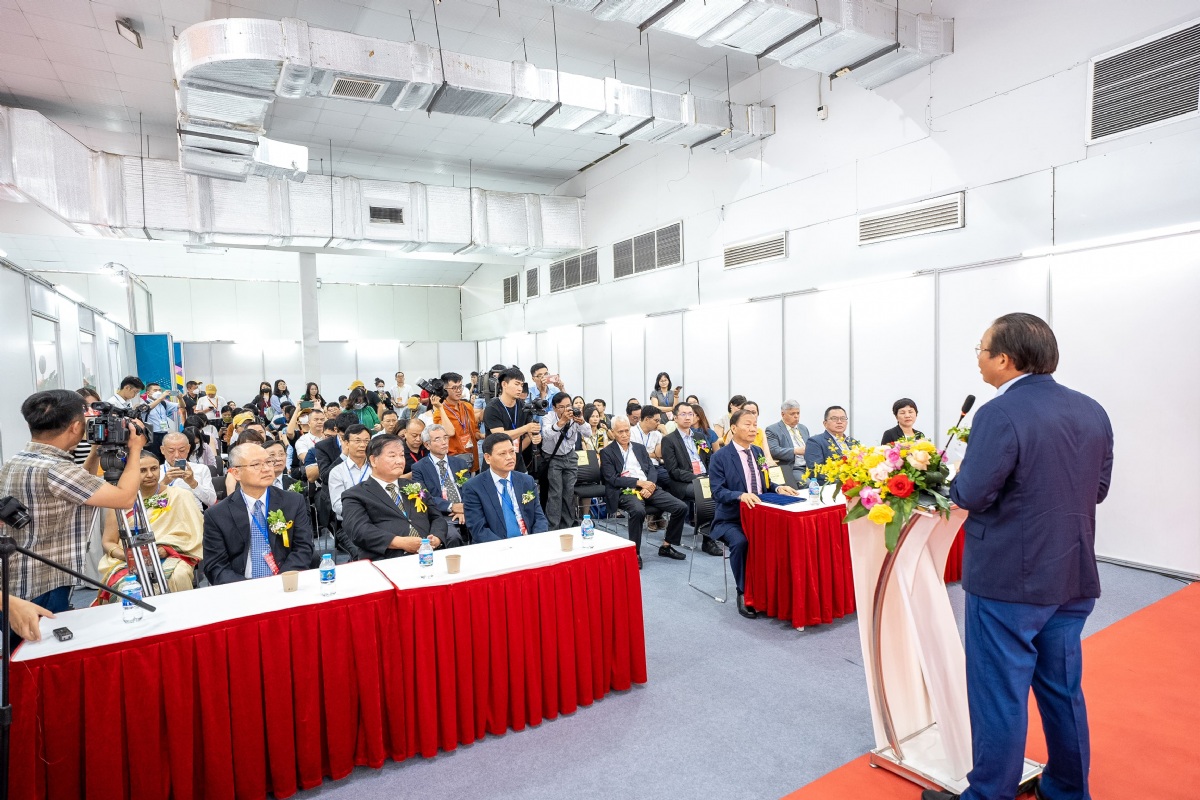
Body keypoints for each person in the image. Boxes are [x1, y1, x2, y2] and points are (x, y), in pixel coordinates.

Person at [923, 314, 1114, 800]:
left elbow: (971, 493)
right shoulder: (1092, 410)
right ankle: (1068, 789)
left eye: (981, 349)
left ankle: (989, 794)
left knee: (999, 693)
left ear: (1004, 359)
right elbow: (1097, 489)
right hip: (1072, 572)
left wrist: (952, 479)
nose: (979, 359)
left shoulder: (998, 413)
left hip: (1009, 578)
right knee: (1062, 690)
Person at [0, 390, 149, 640]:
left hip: (17, 578)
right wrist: (136, 451)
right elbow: (124, 499)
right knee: (39, 652)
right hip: (42, 583)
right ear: (76, 426)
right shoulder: (56, 470)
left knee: (20, 651)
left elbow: (80, 486)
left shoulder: (17, 460)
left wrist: (95, 451)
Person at [708, 409, 801, 619]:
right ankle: (743, 592)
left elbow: (763, 482)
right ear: (733, 428)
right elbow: (717, 491)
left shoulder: (758, 452)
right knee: (741, 543)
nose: (753, 429)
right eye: (747, 424)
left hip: (760, 516)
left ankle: (771, 590)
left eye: (755, 424)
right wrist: (740, 495)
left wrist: (777, 487)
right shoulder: (720, 457)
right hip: (731, 518)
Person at [95, 452, 203, 600]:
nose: (150, 475)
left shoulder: (180, 495)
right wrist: (127, 556)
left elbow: (194, 534)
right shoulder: (119, 501)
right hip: (128, 559)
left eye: (154, 468)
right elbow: (108, 541)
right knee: (126, 586)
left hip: (170, 555)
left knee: (177, 576)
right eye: (142, 470)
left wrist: (166, 549)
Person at [202, 442, 315, 585]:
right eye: (256, 465)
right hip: (241, 587)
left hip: (285, 581)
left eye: (268, 462)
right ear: (236, 473)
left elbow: (303, 548)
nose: (267, 469)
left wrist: (281, 581)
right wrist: (249, 588)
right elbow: (215, 566)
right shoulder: (217, 514)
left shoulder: (293, 502)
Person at [340, 434, 457, 560]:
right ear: (373, 460)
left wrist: (437, 537)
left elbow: (437, 517)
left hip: (428, 554)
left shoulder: (416, 486)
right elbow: (359, 531)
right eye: (392, 456)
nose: (400, 461)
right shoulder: (355, 495)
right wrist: (400, 542)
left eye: (401, 455)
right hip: (388, 559)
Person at [600, 415, 688, 567]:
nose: (624, 434)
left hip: (648, 486)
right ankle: (635, 553)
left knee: (681, 507)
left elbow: (652, 469)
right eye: (620, 432)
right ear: (613, 433)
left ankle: (667, 546)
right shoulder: (607, 452)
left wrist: (650, 485)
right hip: (626, 490)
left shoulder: (639, 448)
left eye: (627, 430)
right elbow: (612, 479)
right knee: (638, 511)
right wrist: (638, 482)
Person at [461, 433, 549, 543]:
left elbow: (539, 518)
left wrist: (534, 541)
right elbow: (479, 530)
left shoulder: (526, 481)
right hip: (496, 546)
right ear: (488, 458)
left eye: (512, 451)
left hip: (529, 542)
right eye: (502, 454)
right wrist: (507, 547)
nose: (509, 457)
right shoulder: (474, 487)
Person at [660, 402, 722, 556]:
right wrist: (698, 478)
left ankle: (720, 531)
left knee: (724, 490)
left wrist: (710, 476)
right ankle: (708, 540)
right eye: (683, 414)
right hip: (683, 482)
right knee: (707, 493)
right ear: (675, 418)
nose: (688, 417)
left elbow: (709, 459)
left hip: (705, 479)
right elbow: (673, 471)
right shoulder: (669, 440)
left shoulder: (700, 436)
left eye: (690, 414)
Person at [539, 392, 592, 530]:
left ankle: (567, 526)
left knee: (569, 493)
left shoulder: (575, 416)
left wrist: (582, 422)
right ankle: (553, 527)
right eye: (561, 407)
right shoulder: (548, 417)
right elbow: (547, 434)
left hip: (570, 456)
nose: (566, 409)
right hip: (553, 457)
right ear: (554, 408)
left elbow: (588, 433)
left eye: (568, 406)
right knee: (555, 493)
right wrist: (562, 421)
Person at [411, 424, 472, 535]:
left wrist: (463, 507)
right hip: (441, 512)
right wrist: (452, 506)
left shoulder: (460, 463)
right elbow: (423, 495)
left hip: (465, 508)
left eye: (445, 437)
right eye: (437, 439)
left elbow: (469, 489)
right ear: (427, 445)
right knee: (452, 536)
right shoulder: (419, 468)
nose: (444, 442)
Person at [483, 368, 541, 473]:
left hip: (517, 460)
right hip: (496, 462)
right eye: (516, 384)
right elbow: (500, 436)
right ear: (504, 384)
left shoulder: (522, 405)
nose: (520, 389)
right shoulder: (492, 407)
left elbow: (530, 429)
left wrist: (535, 436)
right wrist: (526, 428)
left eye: (521, 385)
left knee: (523, 482)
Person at [425, 372, 480, 472]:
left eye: (460, 387)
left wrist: (482, 435)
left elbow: (474, 430)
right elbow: (450, 432)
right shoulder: (439, 412)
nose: (458, 391)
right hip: (454, 459)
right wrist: (440, 407)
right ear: (444, 390)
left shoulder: (467, 406)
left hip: (472, 456)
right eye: (454, 388)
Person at [159, 431, 217, 508]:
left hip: (194, 512)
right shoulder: (156, 471)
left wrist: (193, 483)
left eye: (182, 450)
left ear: (188, 448)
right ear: (162, 450)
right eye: (171, 451)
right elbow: (147, 503)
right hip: (164, 513)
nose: (177, 455)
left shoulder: (201, 469)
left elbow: (212, 501)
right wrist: (163, 483)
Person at [328, 424, 372, 520]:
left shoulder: (377, 467)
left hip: (377, 519)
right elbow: (338, 505)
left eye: (366, 441)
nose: (363, 445)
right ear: (347, 443)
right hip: (350, 521)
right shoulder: (337, 472)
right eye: (357, 441)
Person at [804, 406, 861, 481]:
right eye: (834, 419)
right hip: (833, 484)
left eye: (843, 418)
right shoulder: (815, 442)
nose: (839, 422)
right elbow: (815, 470)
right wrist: (843, 479)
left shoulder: (853, 442)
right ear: (825, 423)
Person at [766, 400, 811, 488]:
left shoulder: (803, 428)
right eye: (792, 414)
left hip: (809, 467)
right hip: (793, 468)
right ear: (783, 414)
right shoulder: (772, 429)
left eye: (798, 413)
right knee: (809, 485)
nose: (796, 416)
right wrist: (795, 451)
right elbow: (774, 450)